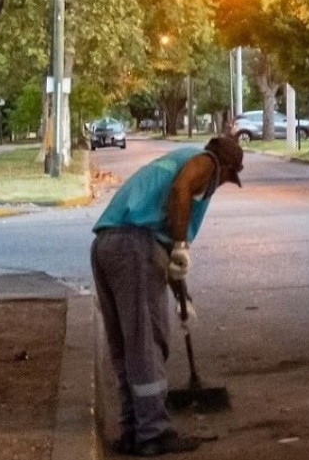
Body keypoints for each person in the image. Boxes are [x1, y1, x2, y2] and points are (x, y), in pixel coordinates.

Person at [91, 136, 245, 456]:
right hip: (135, 247)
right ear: (226, 165)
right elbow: (181, 190)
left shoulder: (175, 159)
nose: (222, 184)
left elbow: (165, 254)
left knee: (127, 344)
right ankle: (153, 433)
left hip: (108, 245)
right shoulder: (206, 163)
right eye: (230, 177)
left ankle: (133, 429)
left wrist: (181, 296)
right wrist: (180, 244)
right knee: (147, 342)